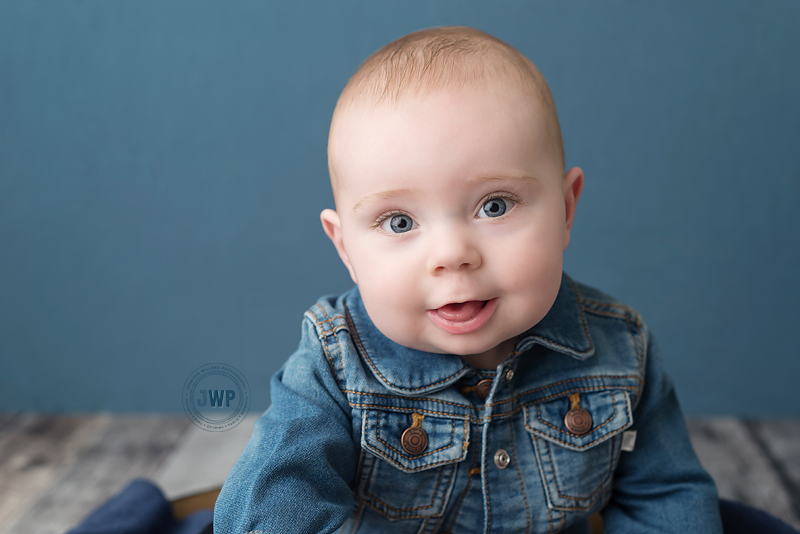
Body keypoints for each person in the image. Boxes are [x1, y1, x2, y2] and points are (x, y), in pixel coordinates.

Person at [213, 26, 724, 533]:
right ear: (346, 247)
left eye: (494, 206)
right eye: (399, 222)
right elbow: (272, 502)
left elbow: (665, 498)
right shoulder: (336, 361)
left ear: (566, 210)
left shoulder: (619, 350)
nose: (453, 255)